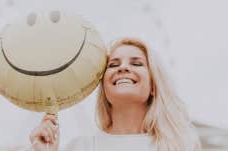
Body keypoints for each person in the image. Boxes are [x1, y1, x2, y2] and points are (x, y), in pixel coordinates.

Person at [29, 38, 201, 151]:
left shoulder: (181, 145)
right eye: (113, 64)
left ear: (154, 86)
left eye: (137, 63)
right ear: (104, 87)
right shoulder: (80, 147)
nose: (123, 68)